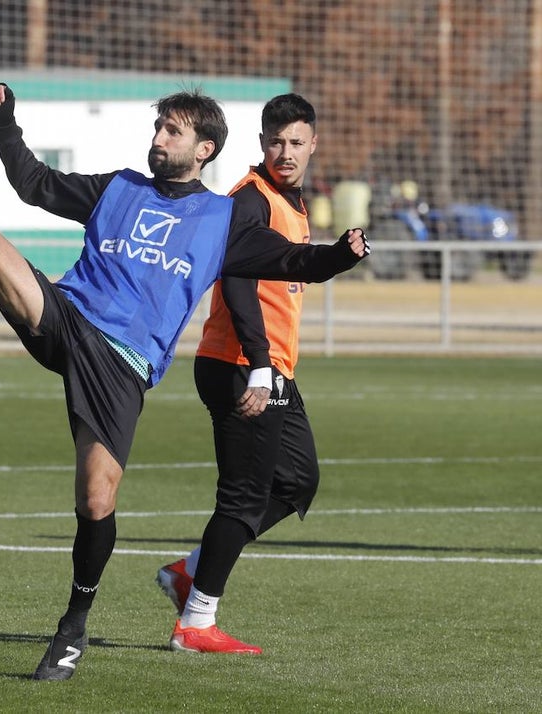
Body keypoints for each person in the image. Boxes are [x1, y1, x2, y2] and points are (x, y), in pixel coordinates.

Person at [0, 82, 368, 680]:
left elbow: (293, 261)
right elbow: (35, 183)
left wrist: (341, 253)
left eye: (171, 132)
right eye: (157, 130)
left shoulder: (222, 219)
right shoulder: (118, 188)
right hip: (67, 318)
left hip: (123, 365)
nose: (157, 140)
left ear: (205, 148)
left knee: (96, 500)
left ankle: (72, 627)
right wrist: (5, 123)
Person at [156, 93, 324, 655]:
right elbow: (234, 281)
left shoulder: (292, 203)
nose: (285, 151)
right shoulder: (251, 200)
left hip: (272, 367)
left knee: (297, 483)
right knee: (244, 498)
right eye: (275, 141)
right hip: (242, 366)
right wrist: (257, 366)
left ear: (312, 145)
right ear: (261, 144)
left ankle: (189, 573)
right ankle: (195, 622)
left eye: (295, 142)